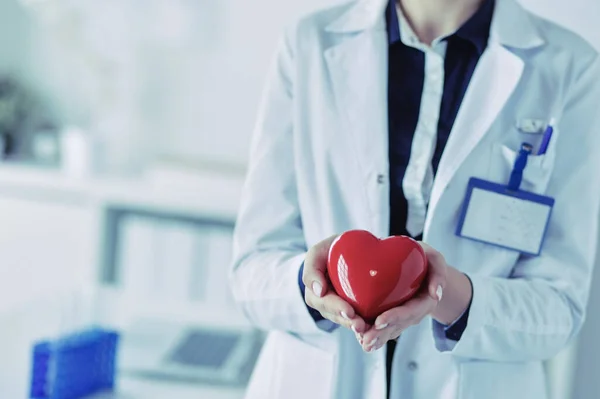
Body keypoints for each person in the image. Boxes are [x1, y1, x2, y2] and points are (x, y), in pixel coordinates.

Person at [230, 0, 600, 397]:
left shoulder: (571, 68)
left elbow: (559, 310)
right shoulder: (309, 44)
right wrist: (313, 283)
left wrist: (447, 295)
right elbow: (251, 273)